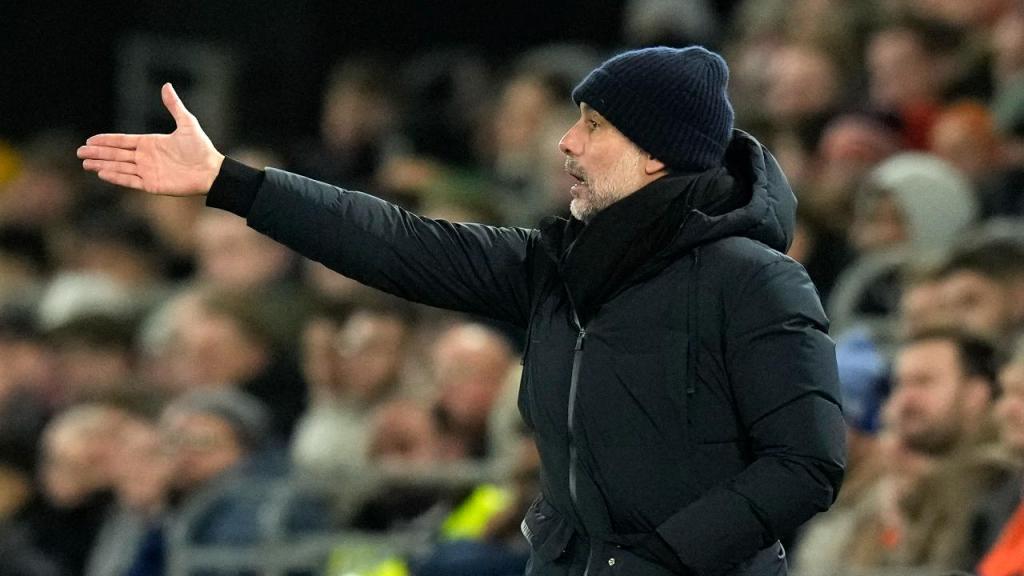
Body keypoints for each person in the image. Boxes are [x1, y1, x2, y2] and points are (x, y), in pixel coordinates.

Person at [78, 46, 846, 576]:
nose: (566, 143)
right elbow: (396, 242)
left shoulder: (754, 281)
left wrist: (663, 560)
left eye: (594, 127)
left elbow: (806, 464)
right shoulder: (557, 267)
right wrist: (230, 183)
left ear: (655, 155)